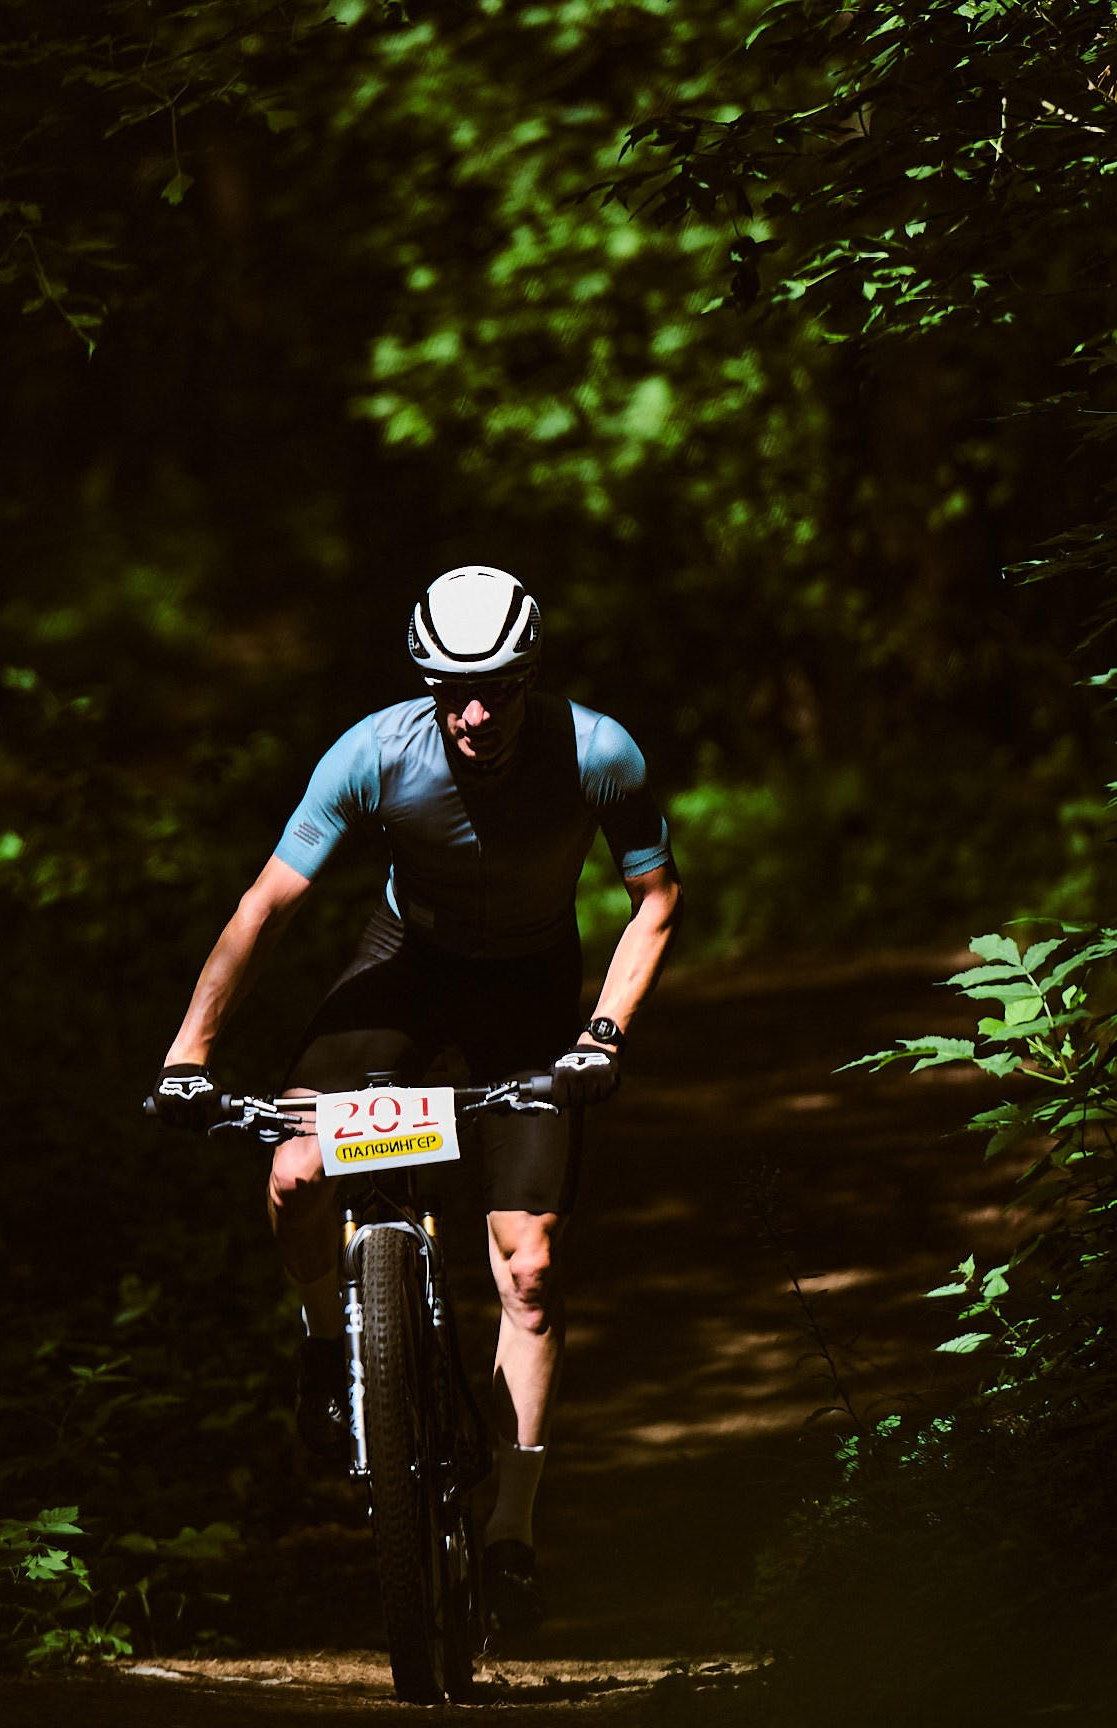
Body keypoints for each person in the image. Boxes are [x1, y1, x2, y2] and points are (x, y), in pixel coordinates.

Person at [145, 566, 682, 1636]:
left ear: (528, 675)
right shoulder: (373, 754)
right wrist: (187, 1054)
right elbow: (267, 906)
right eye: (449, 688)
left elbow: (654, 901)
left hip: (531, 990)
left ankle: (513, 1531)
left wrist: (600, 1037)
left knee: (528, 1265)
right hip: (404, 970)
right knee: (296, 1168)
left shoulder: (600, 752)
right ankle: (321, 1342)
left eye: (494, 687)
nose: (472, 712)